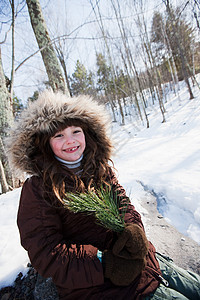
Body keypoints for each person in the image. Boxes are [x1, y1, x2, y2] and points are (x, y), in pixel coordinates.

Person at [7, 90, 200, 300]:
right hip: (99, 286)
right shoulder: (38, 189)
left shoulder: (99, 168)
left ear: (87, 133)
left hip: (143, 262)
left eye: (76, 131)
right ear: (45, 142)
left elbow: (123, 204)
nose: (70, 141)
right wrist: (103, 263)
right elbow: (45, 253)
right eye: (59, 135)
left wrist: (134, 230)